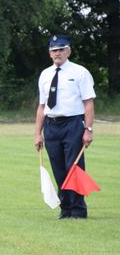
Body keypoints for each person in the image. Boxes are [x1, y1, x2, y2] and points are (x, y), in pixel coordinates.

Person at [34, 34, 96, 219]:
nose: (57, 53)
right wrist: (38, 133)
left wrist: (89, 129)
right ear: (49, 54)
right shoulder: (45, 74)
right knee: (58, 167)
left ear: (68, 51)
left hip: (73, 124)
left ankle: (78, 209)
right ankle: (66, 208)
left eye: (61, 49)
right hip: (52, 125)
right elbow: (42, 107)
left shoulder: (80, 73)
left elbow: (88, 104)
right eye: (54, 50)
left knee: (74, 166)